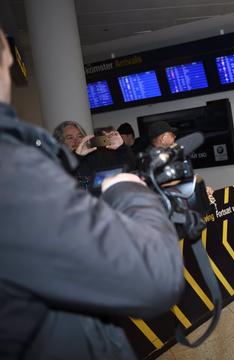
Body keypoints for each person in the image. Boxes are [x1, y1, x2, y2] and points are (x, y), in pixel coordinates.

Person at [0, 27, 184, 359]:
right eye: (67, 138)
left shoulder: (61, 158)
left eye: (77, 136)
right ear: (7, 57)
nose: (74, 141)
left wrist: (121, 154)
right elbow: (155, 277)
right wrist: (126, 190)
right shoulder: (19, 167)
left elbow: (134, 172)